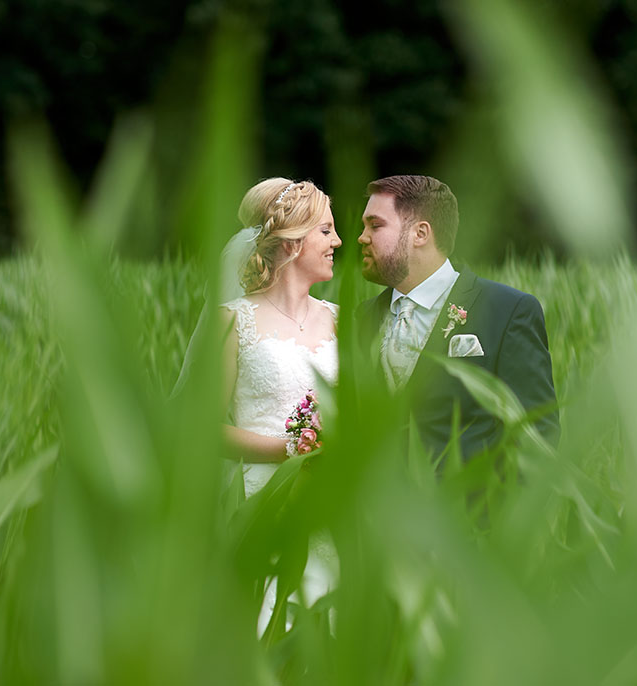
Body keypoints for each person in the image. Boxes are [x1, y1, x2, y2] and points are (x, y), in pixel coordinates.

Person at [206, 177, 342, 633]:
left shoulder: (340, 320)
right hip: (260, 497)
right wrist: (289, 451)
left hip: (328, 502)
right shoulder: (233, 319)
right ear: (292, 242)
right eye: (326, 231)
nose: (337, 242)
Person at [356, 175, 559, 464]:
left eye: (375, 226)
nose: (361, 238)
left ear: (420, 234)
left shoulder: (508, 310)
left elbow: (537, 434)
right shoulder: (362, 316)